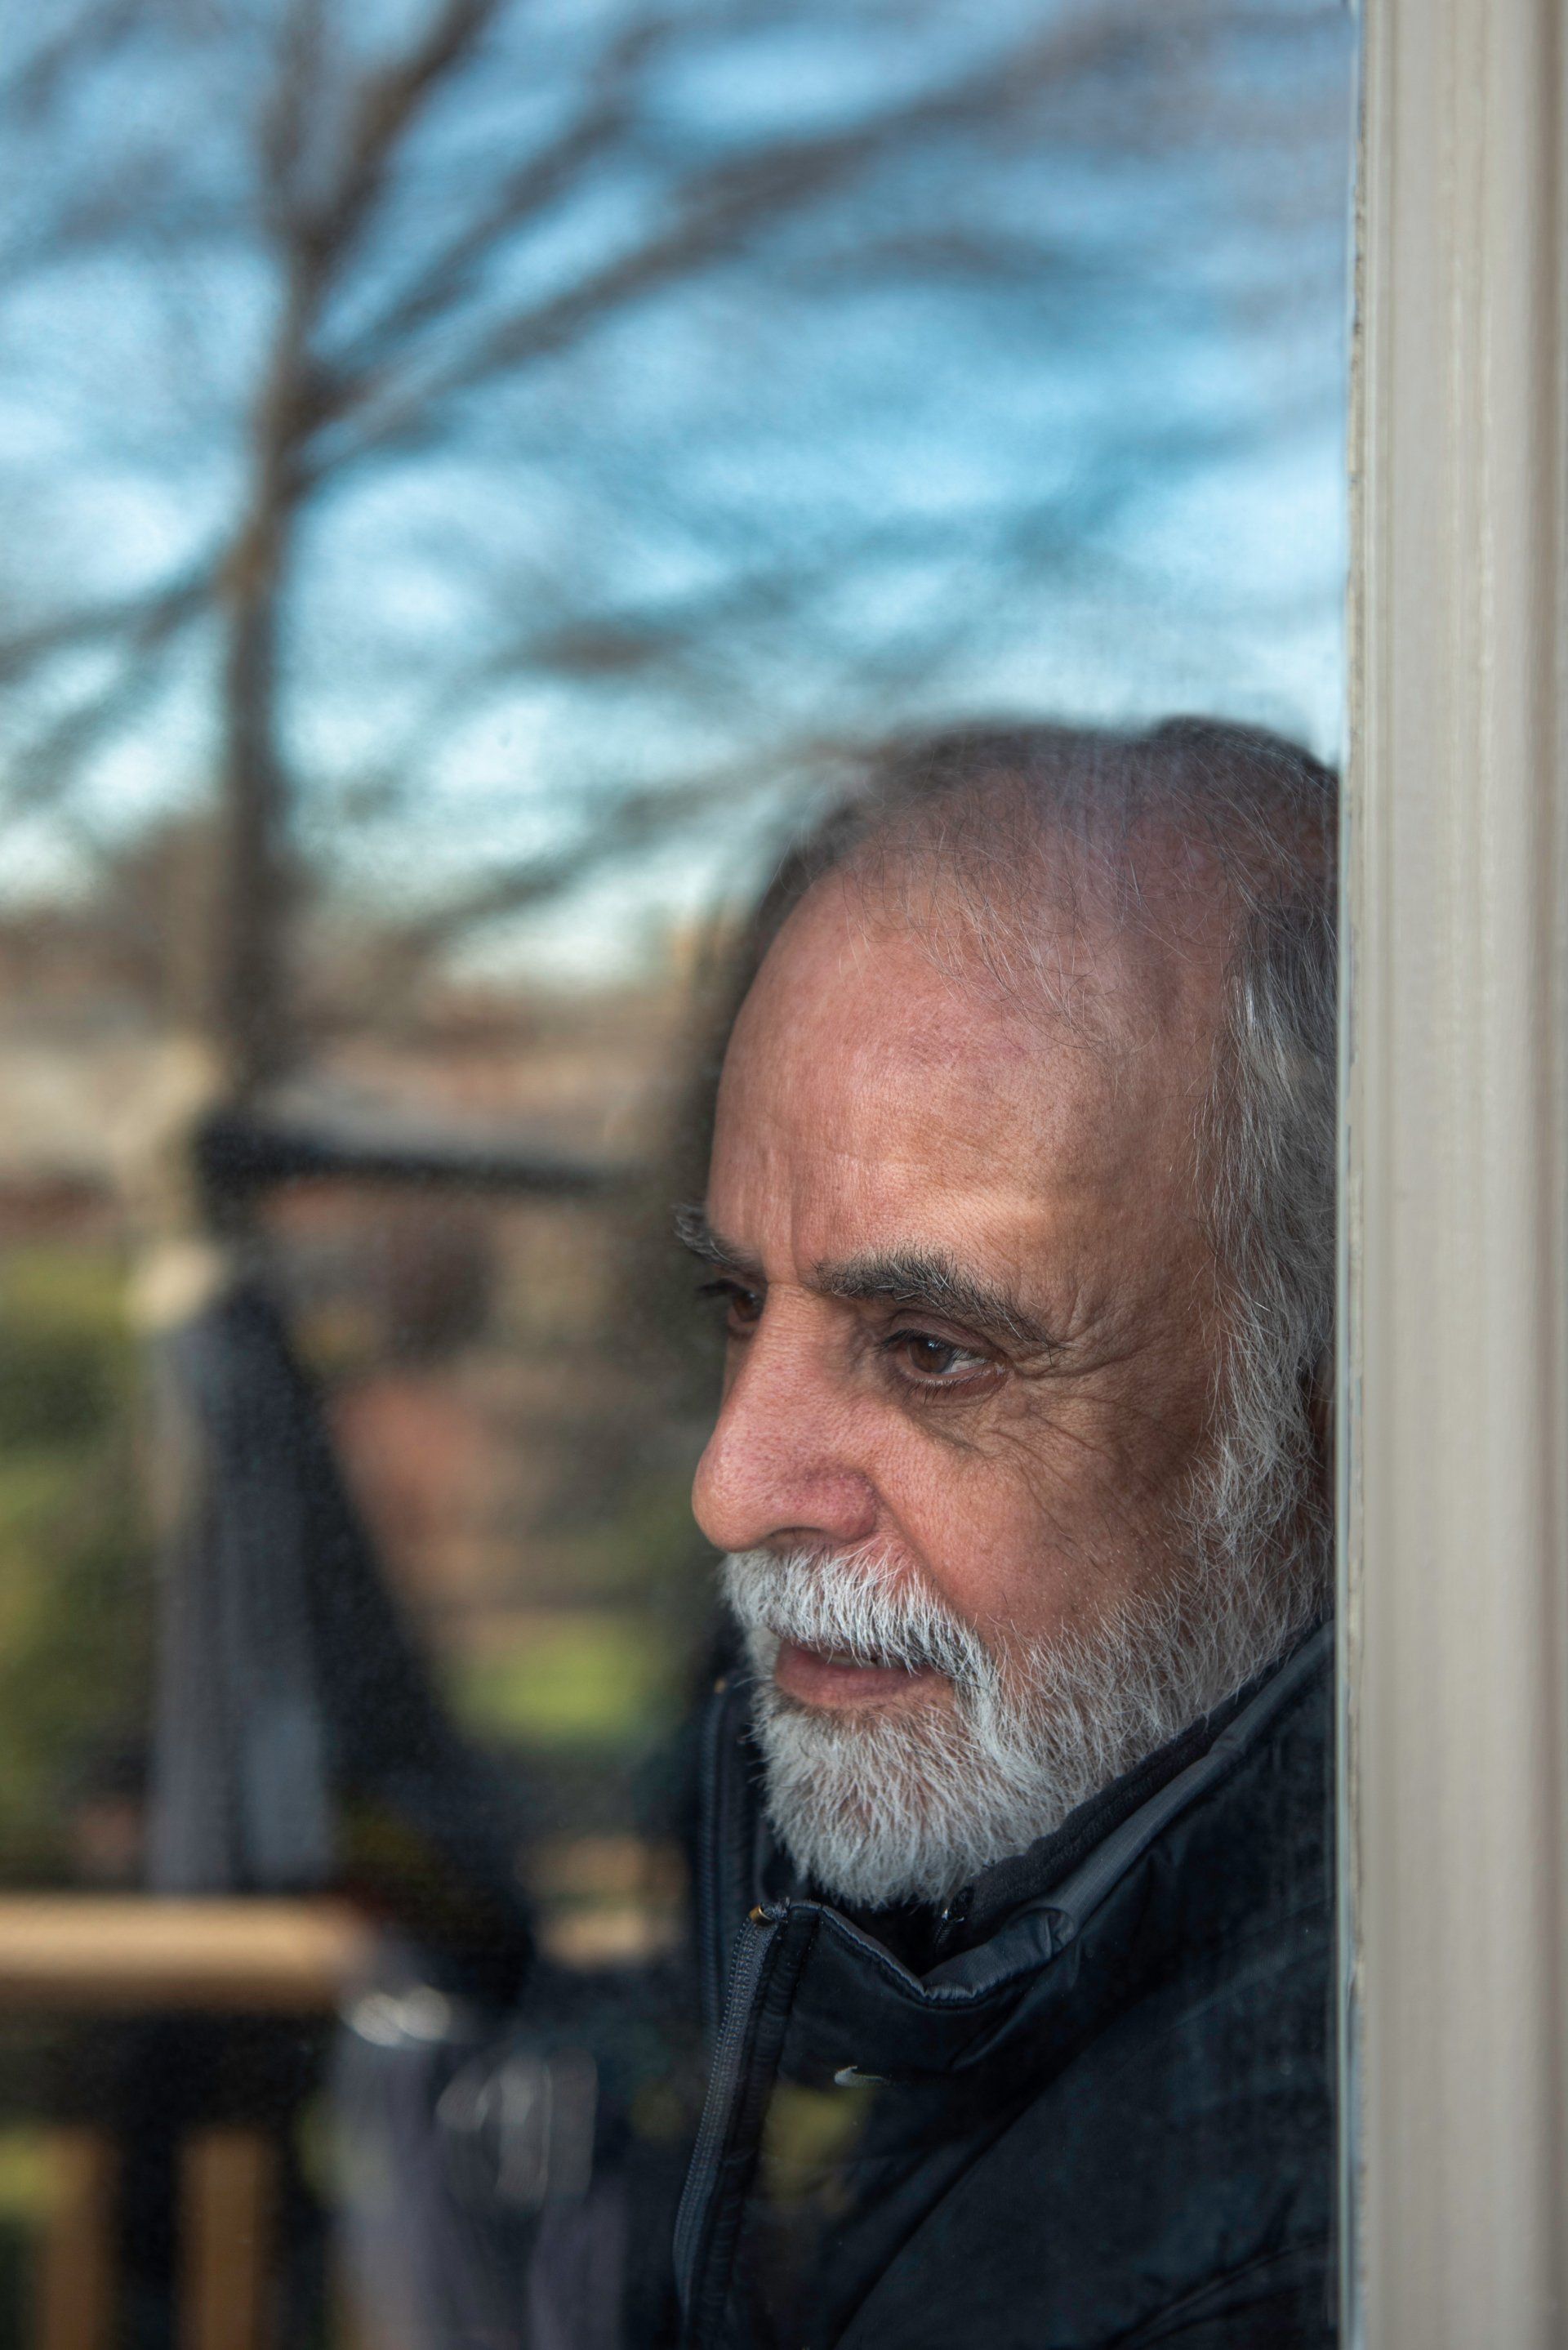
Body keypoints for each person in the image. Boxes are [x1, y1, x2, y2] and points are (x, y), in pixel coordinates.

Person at [341, 717, 1338, 2350]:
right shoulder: (979, 1946)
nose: (731, 1485)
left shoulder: (1293, 2234)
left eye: (935, 1352)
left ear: (1326, 1405)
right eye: (739, 1304)